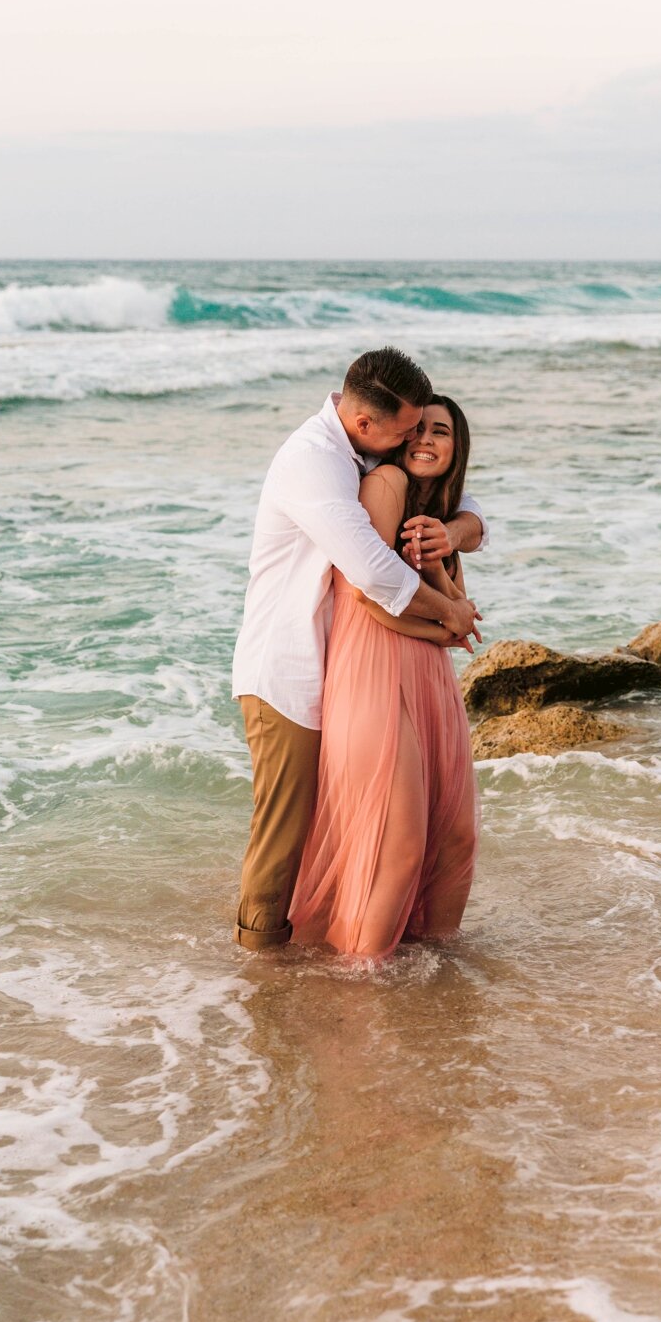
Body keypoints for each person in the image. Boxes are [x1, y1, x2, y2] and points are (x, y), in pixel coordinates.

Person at [230, 349, 484, 953]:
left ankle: (321, 957)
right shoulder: (315, 462)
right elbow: (373, 573)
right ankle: (258, 972)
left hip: (337, 664)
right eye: (407, 428)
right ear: (369, 425)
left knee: (345, 825)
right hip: (286, 670)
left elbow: (463, 500)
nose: (412, 438)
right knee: (285, 835)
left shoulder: (361, 447)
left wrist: (459, 529)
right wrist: (449, 615)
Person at [289, 394, 480, 958]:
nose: (425, 439)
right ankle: (363, 981)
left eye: (440, 432)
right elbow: (365, 595)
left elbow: (457, 602)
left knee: (452, 834)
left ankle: (435, 967)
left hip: (426, 672)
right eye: (417, 429)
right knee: (397, 846)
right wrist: (442, 630)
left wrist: (450, 563)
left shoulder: (438, 515)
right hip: (375, 665)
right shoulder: (387, 484)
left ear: (458, 447)